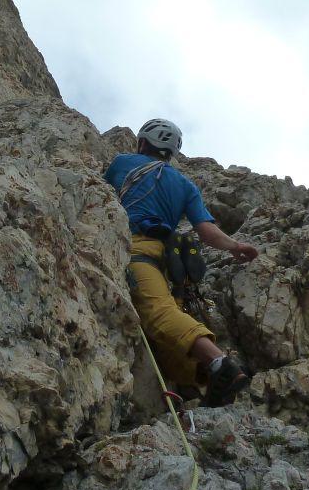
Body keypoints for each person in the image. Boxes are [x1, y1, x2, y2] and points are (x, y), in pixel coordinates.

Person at [104, 118, 259, 406]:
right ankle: (204, 386)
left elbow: (99, 196)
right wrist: (235, 246)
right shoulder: (186, 185)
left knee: (158, 314)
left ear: (143, 142)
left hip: (138, 249)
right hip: (170, 265)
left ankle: (219, 364)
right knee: (167, 335)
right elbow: (206, 231)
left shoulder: (124, 163)